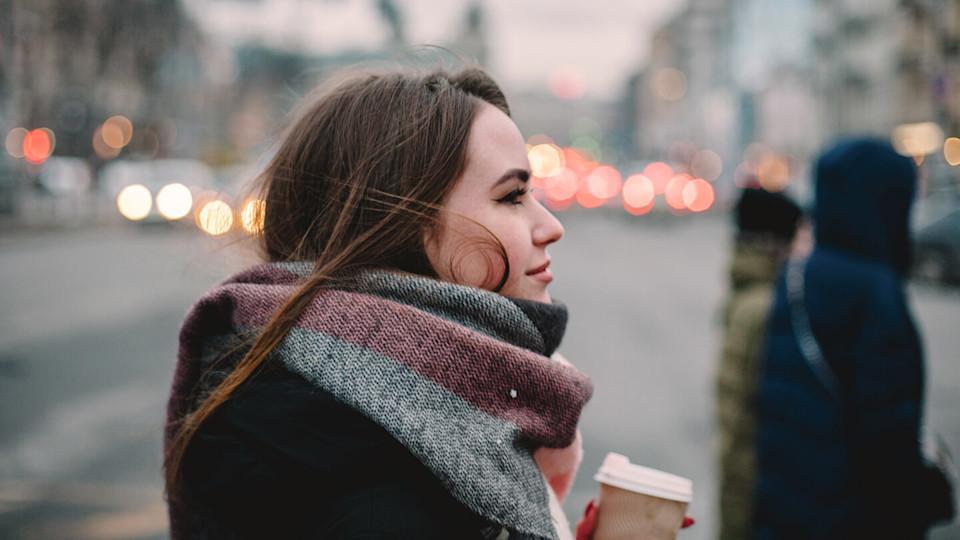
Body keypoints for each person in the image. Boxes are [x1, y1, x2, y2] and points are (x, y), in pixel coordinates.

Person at [163, 60, 594, 539]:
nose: (551, 227)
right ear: (398, 226)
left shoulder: (370, 418)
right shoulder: (389, 496)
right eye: (512, 196)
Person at [752, 138, 955, 539]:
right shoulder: (874, 292)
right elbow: (888, 431)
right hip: (852, 518)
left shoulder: (795, 275)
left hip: (786, 509)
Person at [715, 187, 802, 540]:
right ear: (775, 243)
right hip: (752, 478)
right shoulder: (765, 306)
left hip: (738, 469)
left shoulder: (747, 291)